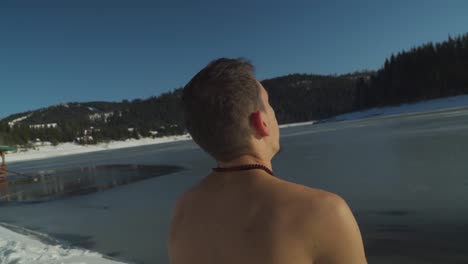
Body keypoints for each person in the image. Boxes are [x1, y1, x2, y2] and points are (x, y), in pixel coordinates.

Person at [168, 58, 367, 264]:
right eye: (269, 104)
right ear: (261, 123)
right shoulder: (324, 212)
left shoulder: (183, 211)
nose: (273, 112)